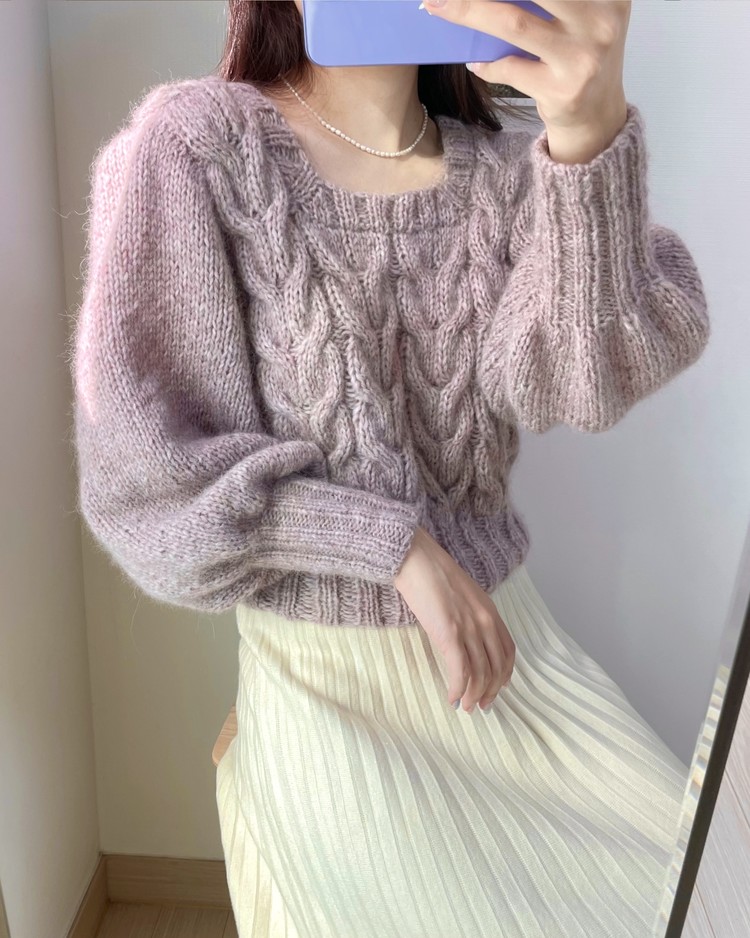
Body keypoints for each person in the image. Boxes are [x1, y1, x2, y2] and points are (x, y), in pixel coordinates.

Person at [68, 1, 710, 935]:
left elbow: (583, 383)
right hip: (331, 691)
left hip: (508, 657)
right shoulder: (200, 147)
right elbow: (146, 484)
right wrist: (390, 545)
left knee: (703, 884)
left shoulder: (508, 178)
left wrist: (587, 142)